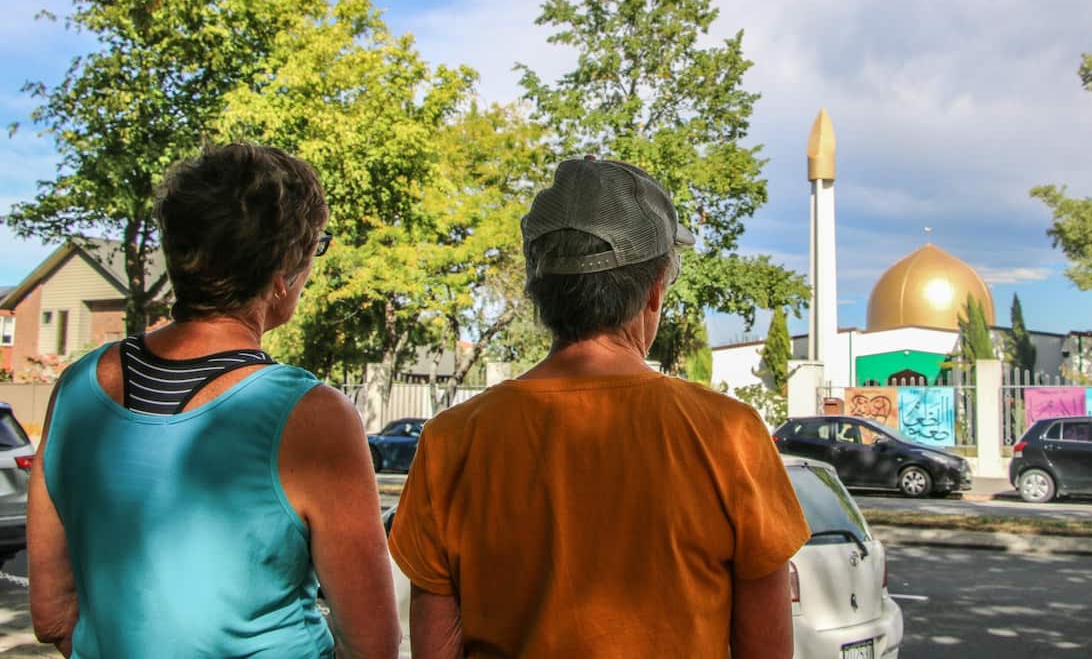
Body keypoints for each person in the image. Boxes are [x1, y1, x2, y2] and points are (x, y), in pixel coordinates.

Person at [389, 157, 810, 658]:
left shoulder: (451, 441)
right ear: (655, 291)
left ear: (539, 293)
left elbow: (436, 646)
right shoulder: (729, 435)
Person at [27, 144, 400, 658]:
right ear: (279, 279)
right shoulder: (312, 416)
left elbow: (51, 615)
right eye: (315, 248)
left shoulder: (76, 389)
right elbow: (372, 644)